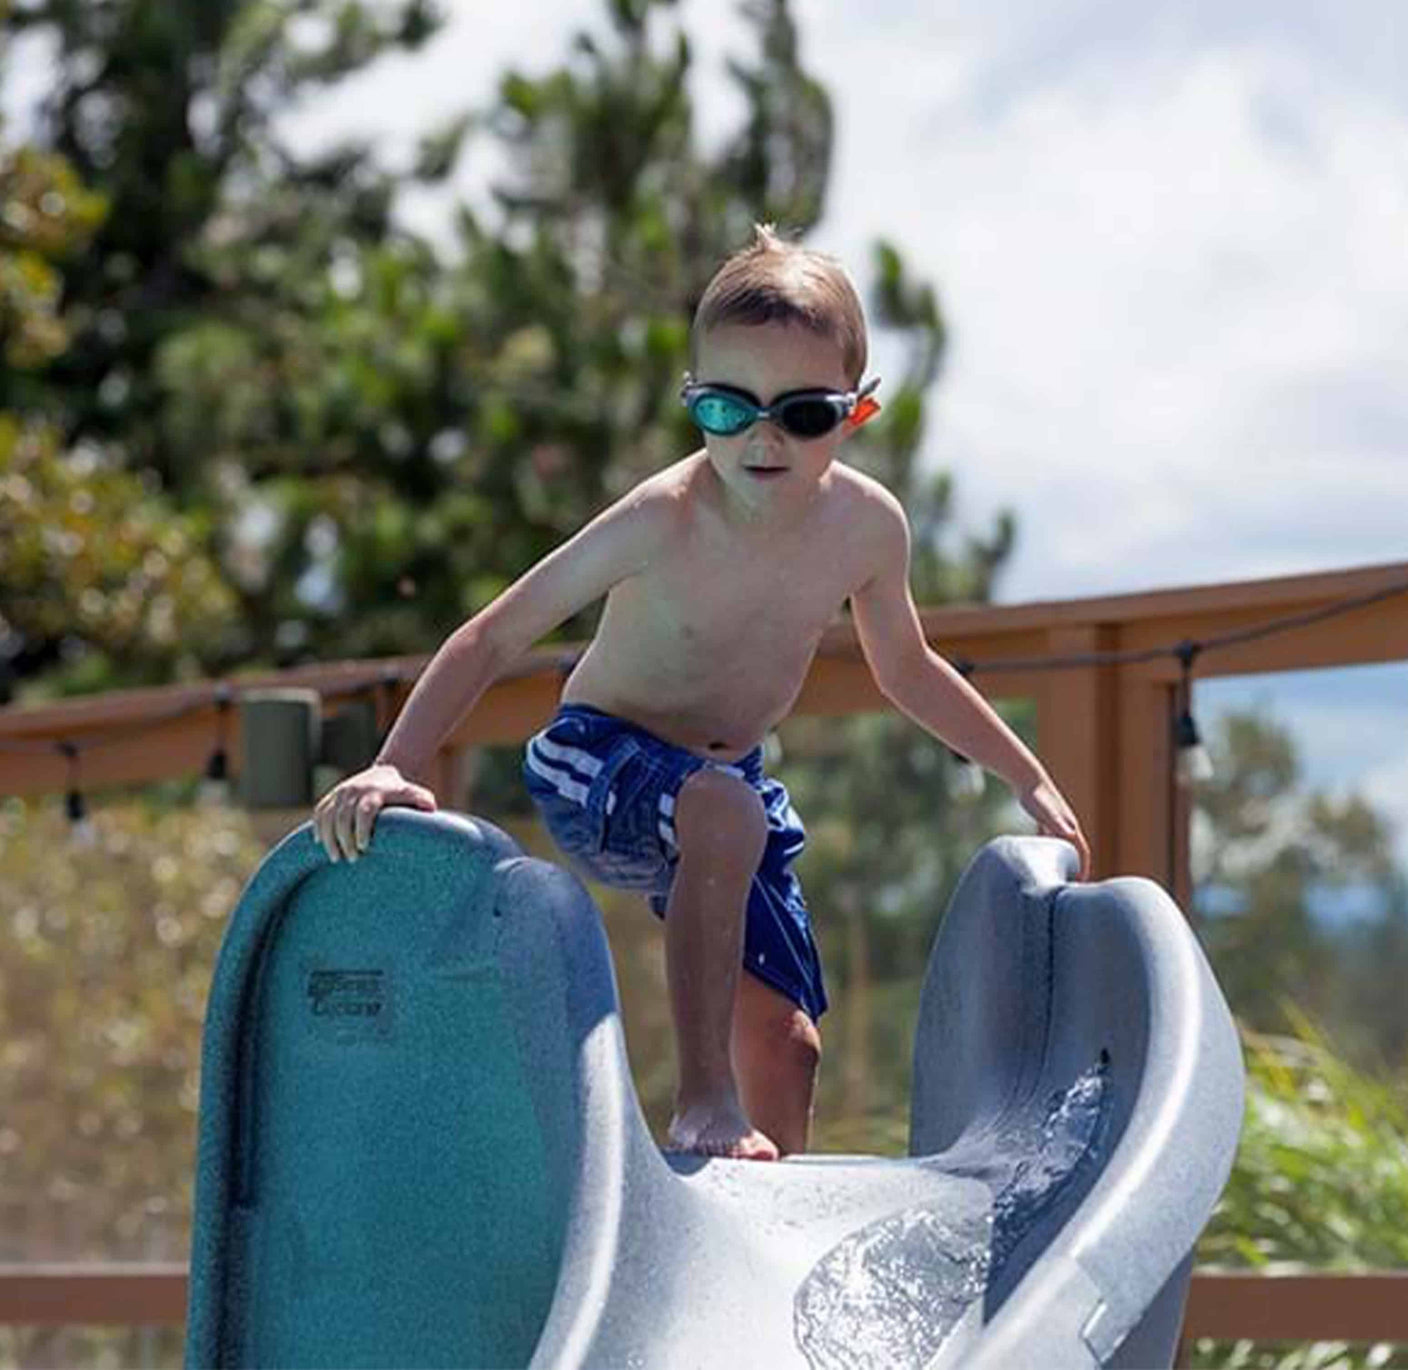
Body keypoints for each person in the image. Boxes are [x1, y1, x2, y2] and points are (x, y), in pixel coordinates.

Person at [312, 223, 1091, 1163]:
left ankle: (762, 1234)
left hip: (728, 792)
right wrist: (395, 763)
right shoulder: (661, 518)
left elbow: (907, 667)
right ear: (695, 404)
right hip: (594, 761)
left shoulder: (866, 529)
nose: (761, 437)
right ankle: (699, 1104)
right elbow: (496, 633)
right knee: (721, 813)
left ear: (855, 416)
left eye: (800, 415)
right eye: (729, 410)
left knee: (789, 1046)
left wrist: (1030, 778)